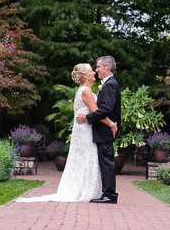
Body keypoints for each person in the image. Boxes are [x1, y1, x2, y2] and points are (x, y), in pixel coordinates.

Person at [16, 63, 117, 202]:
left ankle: (83, 188)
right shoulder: (86, 91)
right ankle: (85, 190)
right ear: (84, 75)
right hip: (85, 129)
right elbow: (96, 112)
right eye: (91, 71)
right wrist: (112, 124)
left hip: (84, 128)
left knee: (83, 158)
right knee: (87, 157)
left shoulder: (82, 90)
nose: (94, 72)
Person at [76, 55, 121, 204]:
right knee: (105, 161)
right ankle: (107, 193)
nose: (97, 70)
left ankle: (109, 195)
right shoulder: (108, 84)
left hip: (105, 130)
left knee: (107, 161)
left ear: (106, 67)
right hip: (103, 129)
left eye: (99, 67)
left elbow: (106, 109)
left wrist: (88, 118)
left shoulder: (110, 84)